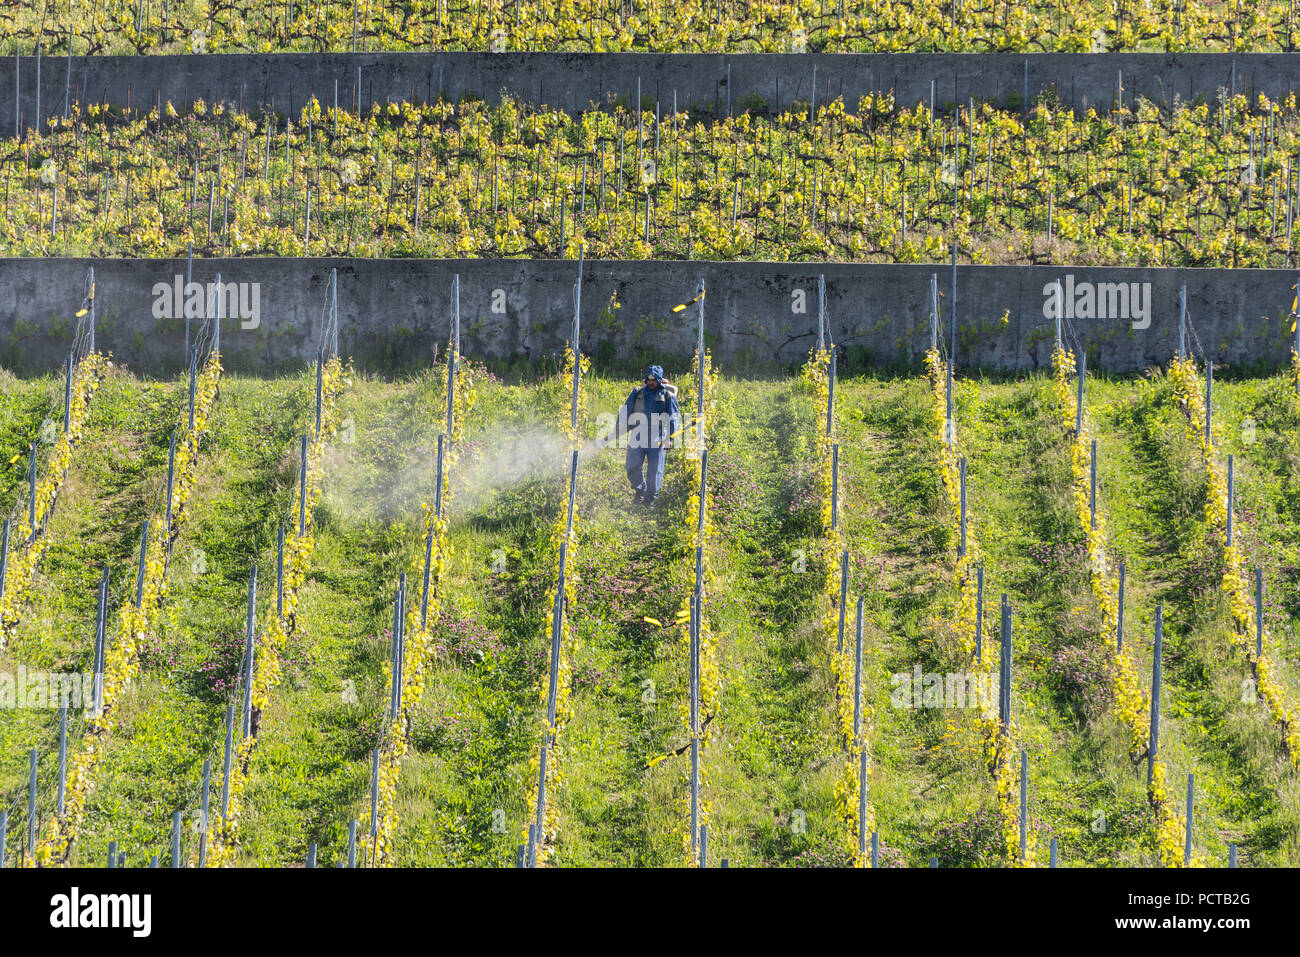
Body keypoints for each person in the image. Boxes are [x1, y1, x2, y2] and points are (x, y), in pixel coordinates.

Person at [620, 365, 680, 507]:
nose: (651, 382)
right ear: (645, 379)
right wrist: (621, 425)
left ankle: (649, 499)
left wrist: (670, 438)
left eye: (654, 380)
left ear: (659, 380)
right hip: (638, 436)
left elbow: (674, 418)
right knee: (632, 466)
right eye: (649, 379)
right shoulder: (638, 392)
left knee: (654, 471)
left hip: (657, 438)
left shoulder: (667, 395)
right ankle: (639, 491)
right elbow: (626, 409)